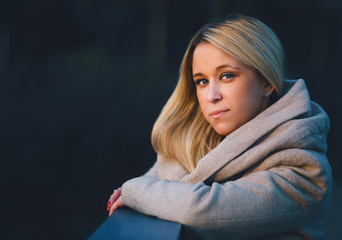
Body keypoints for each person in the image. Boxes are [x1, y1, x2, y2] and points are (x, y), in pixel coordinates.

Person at [106, 14, 331, 240]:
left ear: (267, 81)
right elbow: (159, 181)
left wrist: (133, 190)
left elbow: (199, 209)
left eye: (226, 76)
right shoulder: (193, 141)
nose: (211, 96)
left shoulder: (305, 171)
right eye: (202, 81)